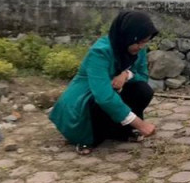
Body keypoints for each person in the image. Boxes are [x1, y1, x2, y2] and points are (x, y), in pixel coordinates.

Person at [51, 10, 158, 155]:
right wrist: (140, 124)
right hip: (85, 101)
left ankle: (120, 132)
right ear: (127, 37)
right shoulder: (100, 53)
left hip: (109, 95)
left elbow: (143, 76)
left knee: (142, 90)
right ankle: (86, 137)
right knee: (100, 103)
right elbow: (104, 96)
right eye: (139, 42)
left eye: (145, 42)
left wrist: (126, 74)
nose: (141, 46)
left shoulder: (138, 51)